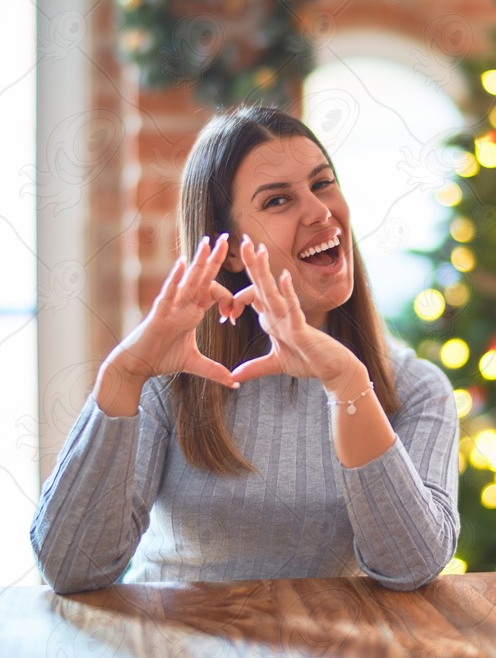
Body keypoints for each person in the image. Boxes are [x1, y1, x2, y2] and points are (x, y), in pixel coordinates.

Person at [30, 106, 460, 594]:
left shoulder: (417, 388)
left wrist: (347, 385)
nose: (320, 211)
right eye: (278, 200)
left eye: (322, 183)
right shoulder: (168, 380)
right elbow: (70, 567)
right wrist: (123, 375)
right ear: (230, 249)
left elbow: (411, 566)